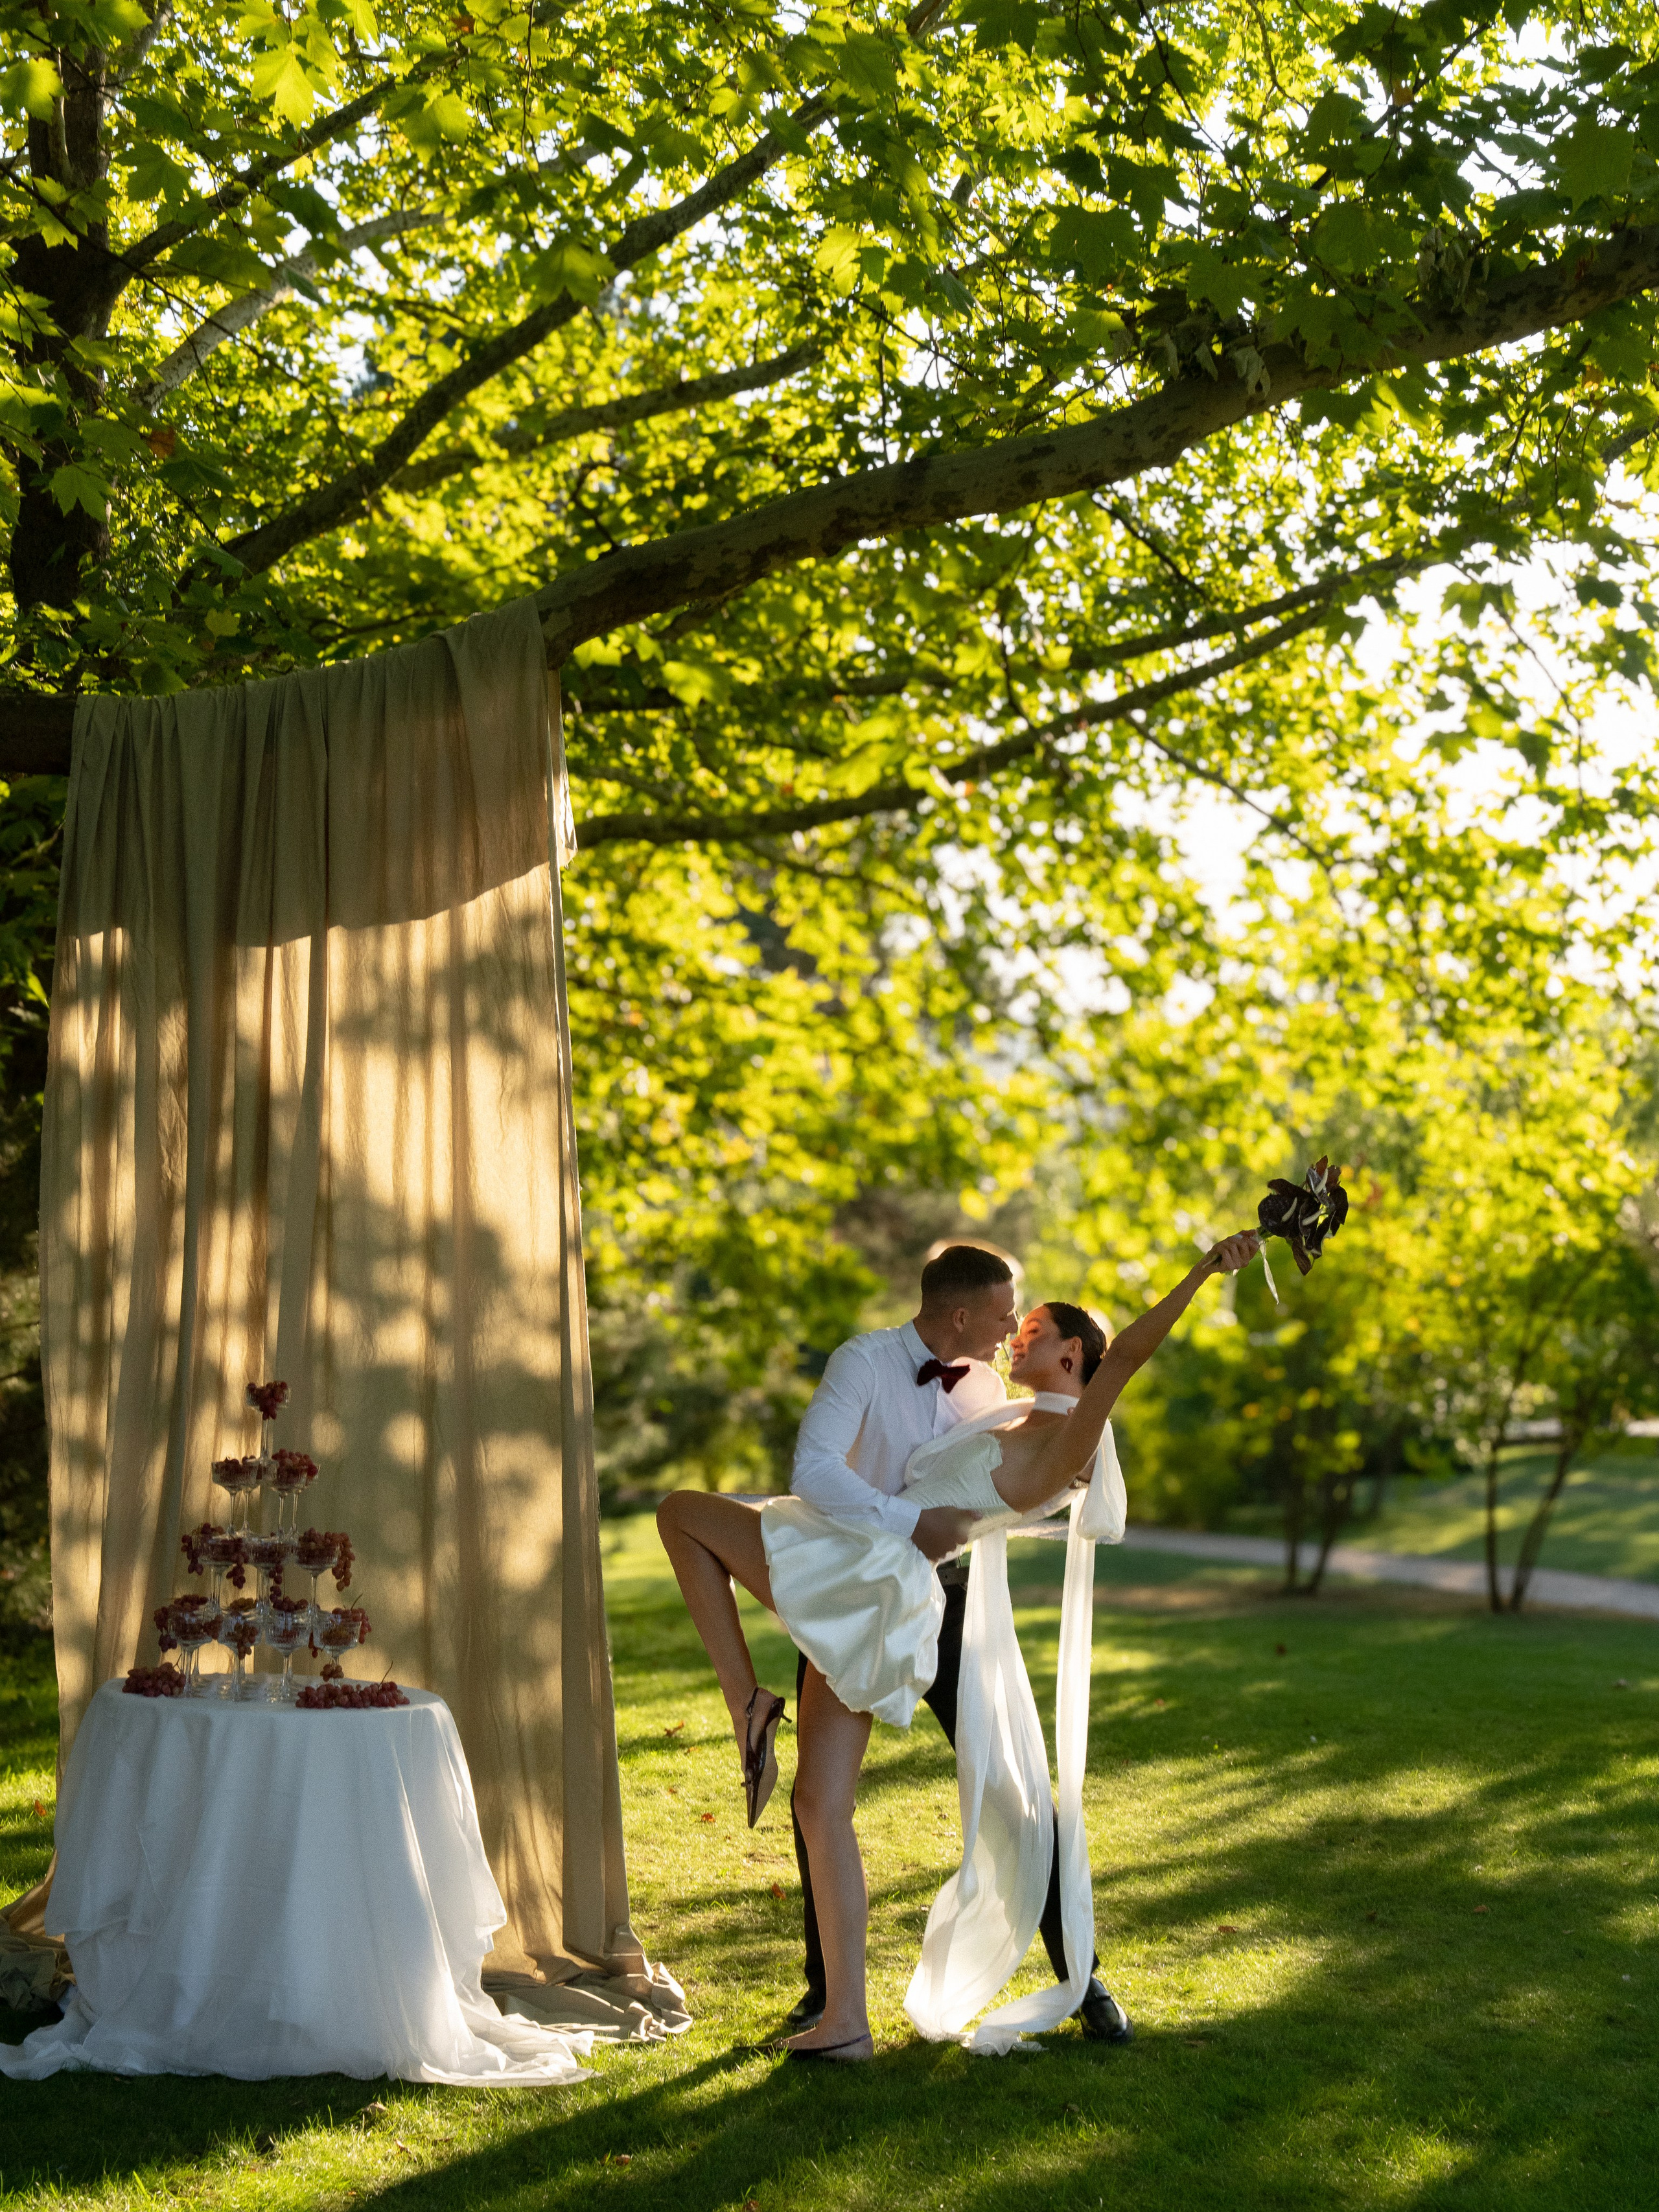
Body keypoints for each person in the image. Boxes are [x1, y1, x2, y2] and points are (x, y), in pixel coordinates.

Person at [655, 1231, 1261, 2060]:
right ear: (965, 1313)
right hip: (873, 1569)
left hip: (900, 1588)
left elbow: (1125, 1357)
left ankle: (1077, 1975)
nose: (1015, 1331)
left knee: (1008, 1794)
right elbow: (834, 1469)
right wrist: (918, 1518)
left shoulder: (1064, 1432)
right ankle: (838, 2011)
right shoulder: (979, 1396)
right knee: (816, 1803)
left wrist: (1203, 1269)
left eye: (1032, 1326)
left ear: (1076, 1354)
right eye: (1010, 1316)